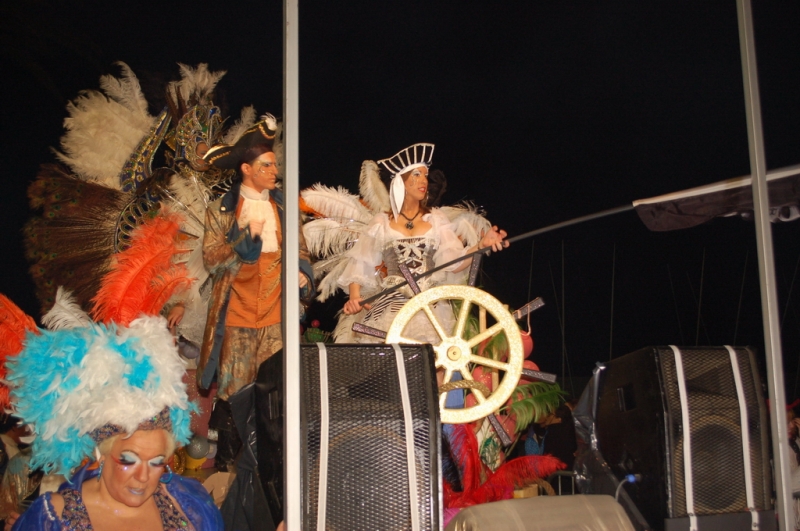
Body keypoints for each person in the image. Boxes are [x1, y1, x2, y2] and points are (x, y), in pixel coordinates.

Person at [1, 314, 222, 531]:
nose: (143, 477)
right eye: (128, 460)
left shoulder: (189, 506)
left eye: (156, 462)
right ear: (101, 454)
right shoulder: (54, 518)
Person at [199, 116, 314, 469]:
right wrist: (243, 239)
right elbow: (211, 259)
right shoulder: (221, 209)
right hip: (238, 311)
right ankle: (228, 468)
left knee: (275, 386)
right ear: (247, 169)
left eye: (275, 164)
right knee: (235, 389)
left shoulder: (284, 206)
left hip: (276, 312)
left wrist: (302, 274)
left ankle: (273, 465)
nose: (274, 170)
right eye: (267, 165)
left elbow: (303, 250)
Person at [338, 143, 508, 342]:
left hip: (429, 308)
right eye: (417, 174)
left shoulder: (436, 219)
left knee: (432, 362)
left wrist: (481, 246)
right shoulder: (381, 223)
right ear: (400, 181)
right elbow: (361, 262)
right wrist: (354, 297)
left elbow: (454, 263)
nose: (424, 180)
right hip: (392, 308)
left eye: (425, 175)